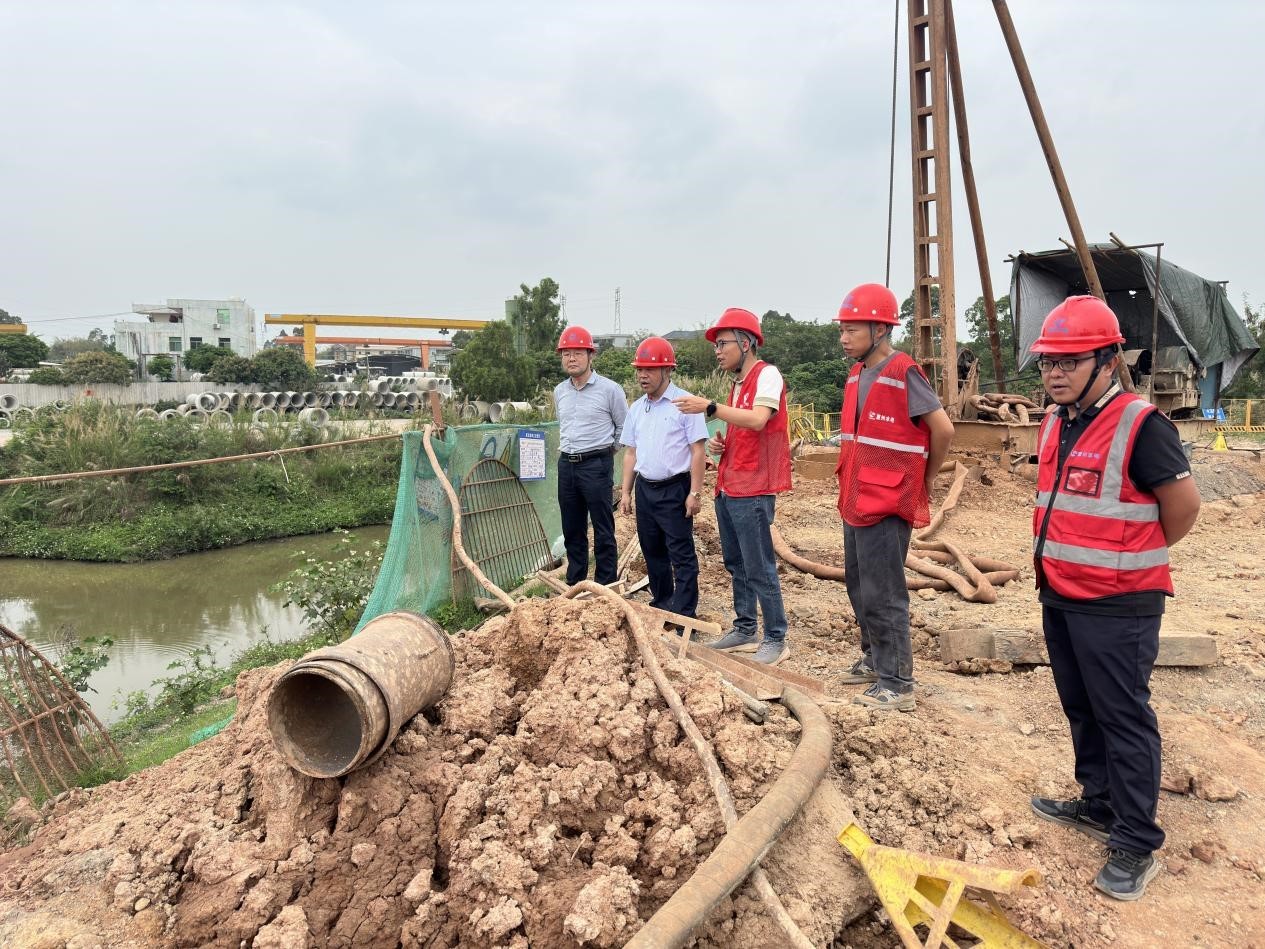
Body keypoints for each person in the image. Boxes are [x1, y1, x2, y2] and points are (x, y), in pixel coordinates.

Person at [1026, 295, 1200, 901]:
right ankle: (1099, 804)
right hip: (1061, 593)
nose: (1055, 373)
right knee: (1082, 707)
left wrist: (1129, 554)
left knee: (1123, 717)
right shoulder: (1057, 421)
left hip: (1119, 602)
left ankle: (1135, 842)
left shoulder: (1141, 425)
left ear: (1108, 361)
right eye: (1048, 362)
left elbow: (1182, 509)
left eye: (1069, 362)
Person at [833, 283, 954, 712]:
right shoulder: (856, 374)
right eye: (842, 330)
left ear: (880, 329)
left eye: (851, 330)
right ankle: (874, 659)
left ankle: (897, 683)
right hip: (855, 496)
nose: (844, 338)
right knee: (859, 585)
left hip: (886, 500)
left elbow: (943, 430)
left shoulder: (904, 371)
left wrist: (926, 478)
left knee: (884, 592)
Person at [673, 308, 793, 666]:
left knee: (759, 565)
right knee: (736, 562)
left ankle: (776, 636)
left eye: (723, 343)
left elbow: (758, 420)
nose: (717, 351)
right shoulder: (738, 384)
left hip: (753, 488)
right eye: (716, 345)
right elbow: (745, 428)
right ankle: (745, 627)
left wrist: (710, 407)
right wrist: (721, 445)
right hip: (730, 485)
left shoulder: (767, 375)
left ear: (745, 343)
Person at [618, 336, 708, 619]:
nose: (642, 376)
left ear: (667, 370)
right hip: (645, 489)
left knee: (681, 553)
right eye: (639, 369)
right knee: (652, 550)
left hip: (674, 489)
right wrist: (626, 492)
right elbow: (631, 453)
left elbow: (697, 450)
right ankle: (662, 603)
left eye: (650, 369)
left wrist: (695, 493)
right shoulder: (637, 408)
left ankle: (684, 614)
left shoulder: (685, 405)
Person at [553, 325, 628, 586]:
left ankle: (605, 585)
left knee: (603, 528)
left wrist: (606, 453)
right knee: (572, 528)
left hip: (596, 464)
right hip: (567, 465)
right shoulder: (560, 391)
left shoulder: (610, 389)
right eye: (566, 354)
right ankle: (575, 583)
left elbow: (624, 428)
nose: (571, 359)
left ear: (590, 355)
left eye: (577, 353)